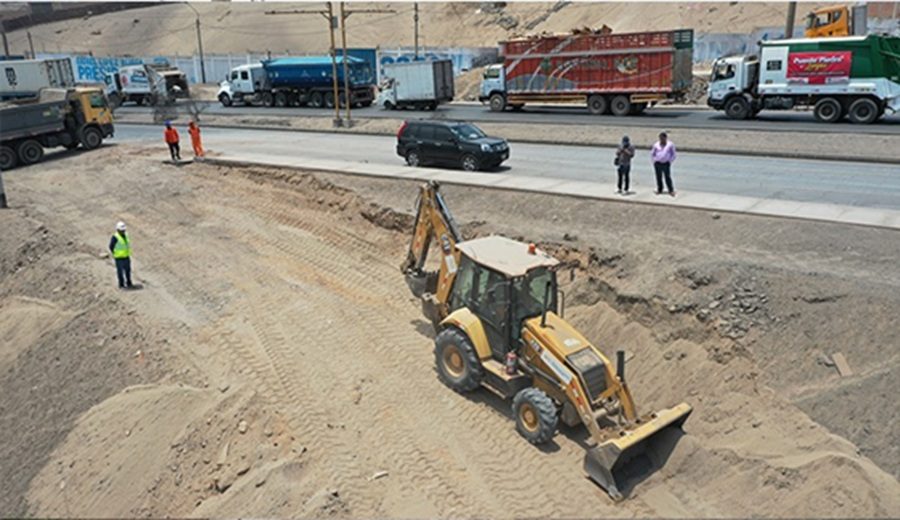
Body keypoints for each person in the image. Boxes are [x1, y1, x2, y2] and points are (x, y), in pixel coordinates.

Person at [650, 132, 677, 196]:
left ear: (665, 138)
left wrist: (670, 161)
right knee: (658, 177)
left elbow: (674, 154)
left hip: (666, 163)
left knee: (667, 177)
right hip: (657, 163)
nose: (661, 140)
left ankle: (671, 190)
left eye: (663, 138)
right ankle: (660, 189)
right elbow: (652, 153)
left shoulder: (670, 145)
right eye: (660, 138)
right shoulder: (656, 145)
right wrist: (654, 161)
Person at [109, 221, 133, 289]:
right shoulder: (115, 237)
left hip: (126, 256)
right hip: (119, 258)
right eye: (121, 230)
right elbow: (111, 246)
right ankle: (121, 284)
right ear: (118, 230)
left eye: (124, 230)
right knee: (120, 272)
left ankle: (129, 283)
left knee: (128, 270)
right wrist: (115, 253)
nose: (123, 231)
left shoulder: (126, 235)